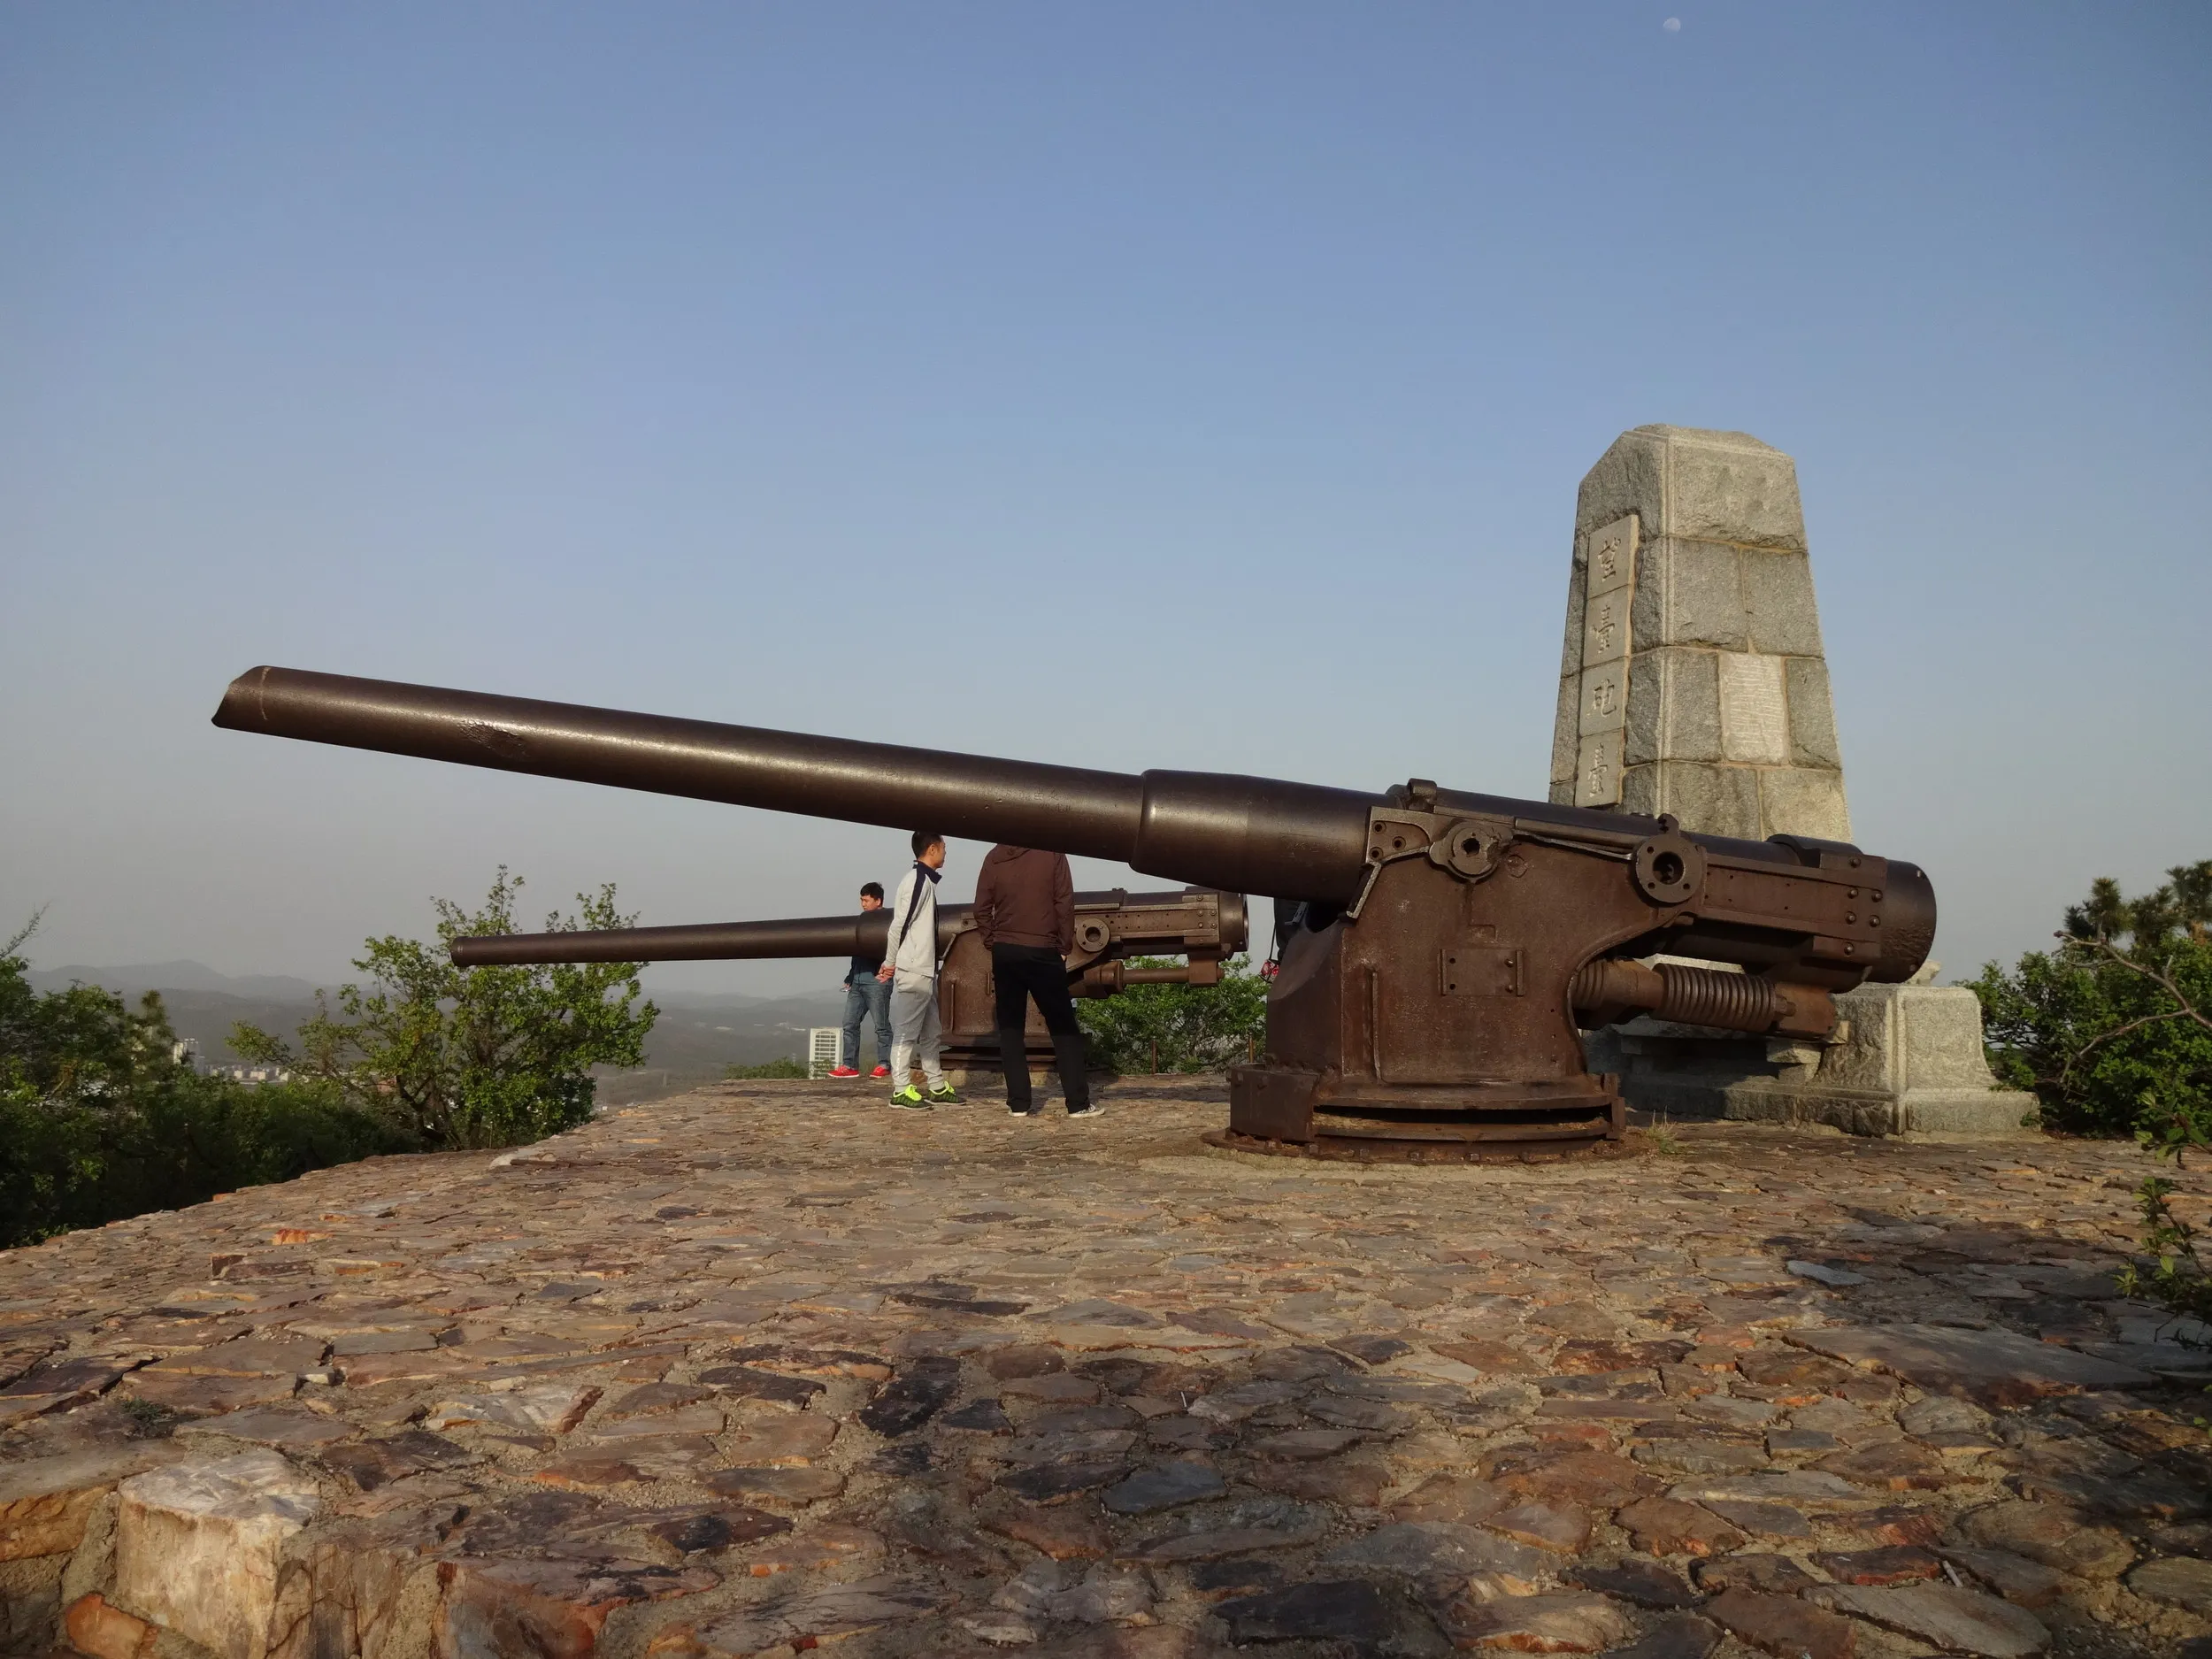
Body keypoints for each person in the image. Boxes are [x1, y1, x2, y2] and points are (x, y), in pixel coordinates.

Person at [972, 843, 1098, 1119]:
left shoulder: (994, 856)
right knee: (1063, 1026)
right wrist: (1064, 947)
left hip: (1006, 950)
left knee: (1010, 1027)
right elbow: (1064, 903)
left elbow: (981, 908)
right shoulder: (1052, 853)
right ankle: (1077, 1103)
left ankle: (1018, 1103)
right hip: (1043, 948)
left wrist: (994, 941)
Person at [879, 832, 958, 1110]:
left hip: (924, 969)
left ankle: (935, 1084)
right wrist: (890, 962)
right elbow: (898, 926)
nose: (946, 853)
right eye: (944, 848)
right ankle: (901, 1088)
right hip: (913, 968)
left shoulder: (924, 882)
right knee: (906, 1032)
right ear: (932, 849)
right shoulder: (917, 881)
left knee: (932, 1030)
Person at [827, 881, 892, 1080]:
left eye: (866, 900)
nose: (863, 904)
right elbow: (858, 951)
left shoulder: (888, 921)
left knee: (881, 1026)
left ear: (878, 900)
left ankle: (884, 1064)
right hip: (857, 979)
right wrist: (850, 975)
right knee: (849, 1024)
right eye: (861, 900)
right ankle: (850, 1065)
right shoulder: (862, 921)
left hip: (877, 980)